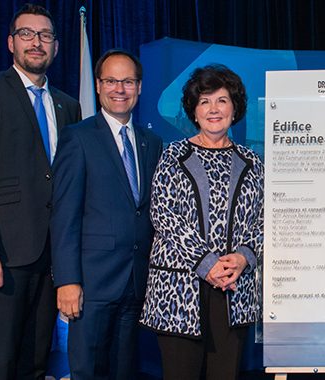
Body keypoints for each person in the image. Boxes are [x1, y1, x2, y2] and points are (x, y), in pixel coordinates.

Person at [0, 4, 81, 379]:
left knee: (36, 361)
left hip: (51, 260)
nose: (36, 42)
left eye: (45, 35)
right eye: (27, 34)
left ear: (56, 47)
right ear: (11, 43)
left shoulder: (68, 106)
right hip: (4, 257)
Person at [140, 64, 263, 380]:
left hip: (234, 291)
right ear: (194, 111)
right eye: (205, 101)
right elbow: (165, 215)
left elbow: (263, 220)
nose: (214, 109)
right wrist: (207, 264)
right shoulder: (173, 156)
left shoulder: (253, 162)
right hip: (179, 291)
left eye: (222, 100)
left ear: (234, 108)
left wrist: (242, 258)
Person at [50, 49, 163, 379]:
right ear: (98, 86)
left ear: (139, 87)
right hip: (92, 284)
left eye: (128, 81)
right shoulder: (78, 137)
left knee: (124, 371)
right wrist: (68, 280)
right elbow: (64, 215)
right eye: (111, 81)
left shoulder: (151, 142)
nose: (120, 89)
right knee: (89, 371)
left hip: (135, 282)